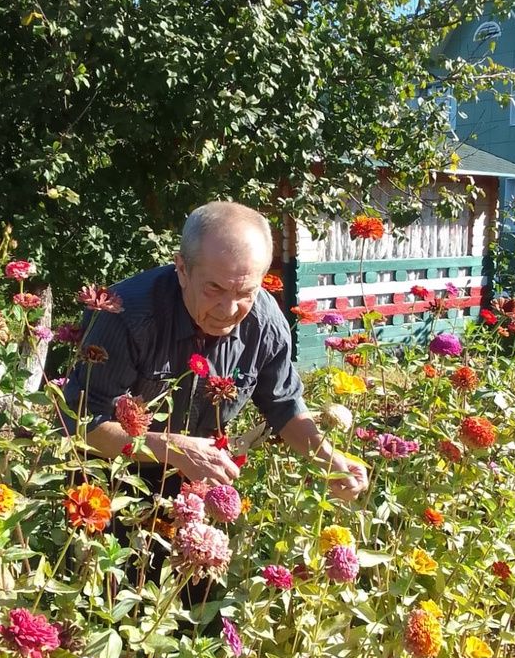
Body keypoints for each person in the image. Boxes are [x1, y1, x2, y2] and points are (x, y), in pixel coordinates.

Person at [62, 201, 368, 501]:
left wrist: (330, 461)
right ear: (182, 269)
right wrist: (175, 449)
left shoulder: (266, 324)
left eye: (246, 292)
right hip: (109, 485)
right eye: (214, 289)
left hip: (195, 485)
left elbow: (284, 405)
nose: (229, 309)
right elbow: (83, 426)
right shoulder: (125, 316)